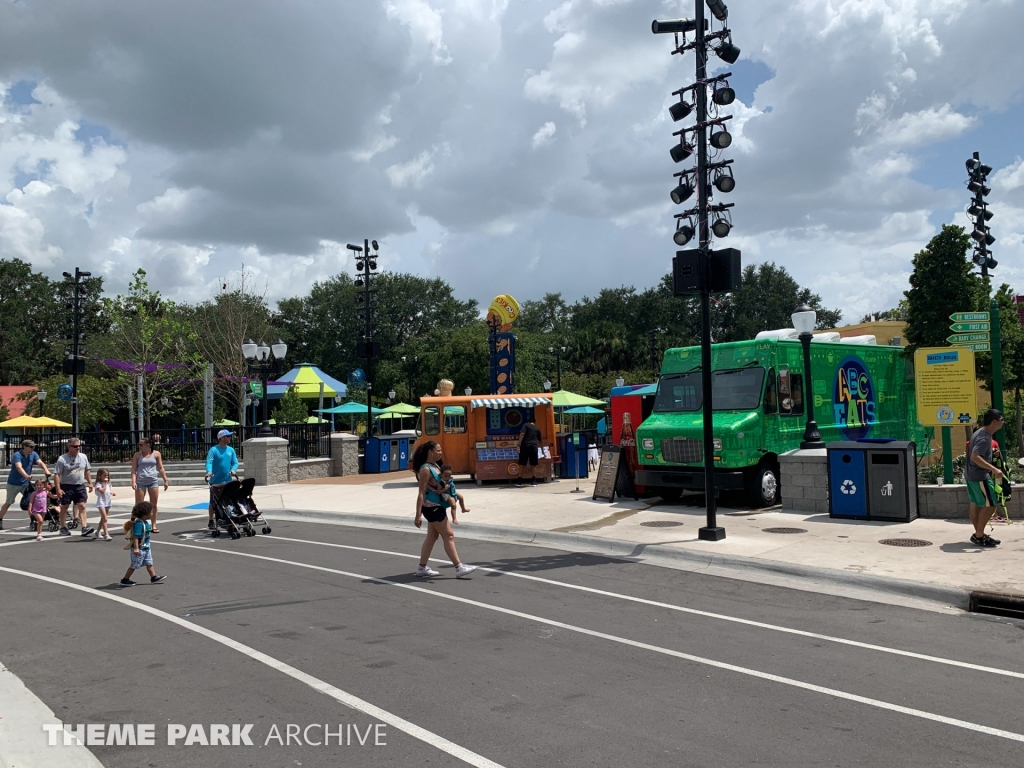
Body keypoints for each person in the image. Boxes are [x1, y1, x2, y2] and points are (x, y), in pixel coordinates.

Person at [412, 441, 475, 578]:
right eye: (438, 450)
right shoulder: (426, 470)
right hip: (432, 508)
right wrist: (418, 515)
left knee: (432, 536)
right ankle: (459, 567)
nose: (441, 453)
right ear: (430, 452)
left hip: (437, 506)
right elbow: (421, 493)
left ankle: (422, 568)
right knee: (449, 535)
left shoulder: (436, 466)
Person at [966, 409, 1004, 548]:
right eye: (1001, 419)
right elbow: (975, 456)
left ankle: (979, 534)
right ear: (994, 421)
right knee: (990, 505)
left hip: (971, 475)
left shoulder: (979, 433)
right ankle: (979, 535)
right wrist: (993, 469)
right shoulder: (984, 437)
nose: (1003, 422)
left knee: (976, 504)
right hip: (980, 476)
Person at [1, 438, 49, 529]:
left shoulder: (33, 454)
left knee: (33, 500)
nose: (32, 448)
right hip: (14, 483)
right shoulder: (17, 455)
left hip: (26, 484)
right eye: (30, 447)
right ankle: (0, 519)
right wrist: (26, 476)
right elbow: (18, 467)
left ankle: (33, 519)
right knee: (9, 502)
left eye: (33, 447)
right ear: (24, 446)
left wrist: (46, 470)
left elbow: (40, 462)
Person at [54, 438, 93, 537]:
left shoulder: (83, 457)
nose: (78, 448)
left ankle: (84, 527)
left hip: (80, 485)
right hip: (67, 486)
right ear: (69, 447)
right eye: (75, 446)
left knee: (82, 505)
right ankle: (63, 527)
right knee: (64, 506)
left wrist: (90, 483)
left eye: (79, 446)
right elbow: (57, 474)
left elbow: (87, 470)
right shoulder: (62, 459)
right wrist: (58, 489)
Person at [120, 501, 166, 586]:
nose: (152, 513)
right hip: (140, 548)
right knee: (134, 565)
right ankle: (125, 579)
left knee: (149, 562)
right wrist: (136, 548)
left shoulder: (144, 522)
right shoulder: (139, 524)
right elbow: (136, 537)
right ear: (145, 514)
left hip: (146, 547)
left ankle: (153, 577)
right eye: (151, 512)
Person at [131, 437, 169, 533]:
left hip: (153, 481)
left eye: (141, 445)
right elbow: (134, 469)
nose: (139, 446)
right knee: (139, 504)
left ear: (148, 445)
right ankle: (136, 522)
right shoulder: (137, 455)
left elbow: (160, 467)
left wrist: (165, 479)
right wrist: (133, 481)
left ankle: (153, 525)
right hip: (141, 481)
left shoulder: (156, 454)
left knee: (154, 504)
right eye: (139, 445)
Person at [205, 429, 239, 530]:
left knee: (228, 501)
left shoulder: (231, 450)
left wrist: (233, 470)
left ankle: (228, 518)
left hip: (227, 481)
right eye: (228, 436)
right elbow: (209, 462)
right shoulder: (213, 450)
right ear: (222, 438)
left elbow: (235, 462)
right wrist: (209, 471)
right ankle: (211, 519)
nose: (230, 438)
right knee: (213, 502)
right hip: (215, 481)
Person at [516, 414, 543, 487]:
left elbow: (522, 434)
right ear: (534, 422)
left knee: (522, 464)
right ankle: (533, 481)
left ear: (528, 421)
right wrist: (542, 451)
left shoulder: (526, 425)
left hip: (524, 447)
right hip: (533, 447)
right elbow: (540, 441)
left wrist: (518, 445)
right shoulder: (537, 428)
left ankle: (519, 481)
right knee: (533, 465)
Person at [93, 468, 115, 542]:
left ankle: (97, 532)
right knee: (105, 518)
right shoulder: (98, 484)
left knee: (103, 518)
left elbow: (107, 491)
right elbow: (102, 491)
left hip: (107, 501)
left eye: (107, 476)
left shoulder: (108, 483)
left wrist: (112, 493)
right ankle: (106, 534)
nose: (106, 477)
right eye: (104, 475)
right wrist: (105, 484)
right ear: (100, 476)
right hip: (101, 502)